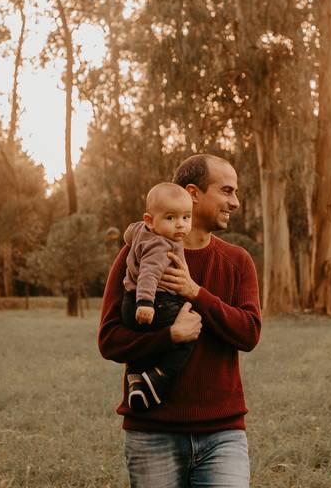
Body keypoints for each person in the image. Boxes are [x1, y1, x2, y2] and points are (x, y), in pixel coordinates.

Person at [98, 154, 261, 488]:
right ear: (193, 193)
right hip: (152, 434)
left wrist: (195, 292)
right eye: (227, 191)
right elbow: (109, 339)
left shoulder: (237, 261)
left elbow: (249, 333)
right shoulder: (136, 253)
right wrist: (169, 336)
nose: (235, 202)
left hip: (223, 435)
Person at [121, 182, 194, 412]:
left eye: (186, 217)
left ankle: (135, 380)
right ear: (150, 220)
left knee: (141, 338)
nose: (180, 225)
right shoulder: (161, 245)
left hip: (127, 302)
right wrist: (146, 303)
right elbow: (149, 274)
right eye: (171, 218)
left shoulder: (139, 230)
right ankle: (158, 376)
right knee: (190, 331)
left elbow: (128, 234)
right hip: (153, 303)